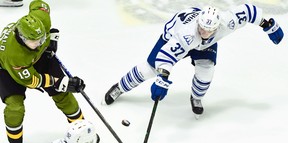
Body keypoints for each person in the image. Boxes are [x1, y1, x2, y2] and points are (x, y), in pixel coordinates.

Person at [104, 4, 284, 118]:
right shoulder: (187, 34)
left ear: (216, 26)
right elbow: (166, 56)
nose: (204, 32)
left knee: (206, 71)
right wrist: (163, 78)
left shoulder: (226, 22)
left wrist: (267, 24)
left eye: (208, 30)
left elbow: (248, 11)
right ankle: (120, 87)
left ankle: (196, 98)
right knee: (149, 69)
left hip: (204, 47)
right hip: (171, 39)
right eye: (202, 28)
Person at [0, 0, 86, 143]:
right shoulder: (14, 56)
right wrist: (62, 82)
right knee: (15, 108)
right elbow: (35, 81)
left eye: (42, 39)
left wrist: (52, 38)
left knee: (63, 95)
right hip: (8, 70)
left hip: (36, 58)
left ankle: (81, 130)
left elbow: (39, 4)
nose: (40, 44)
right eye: (36, 42)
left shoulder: (40, 21)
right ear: (23, 38)